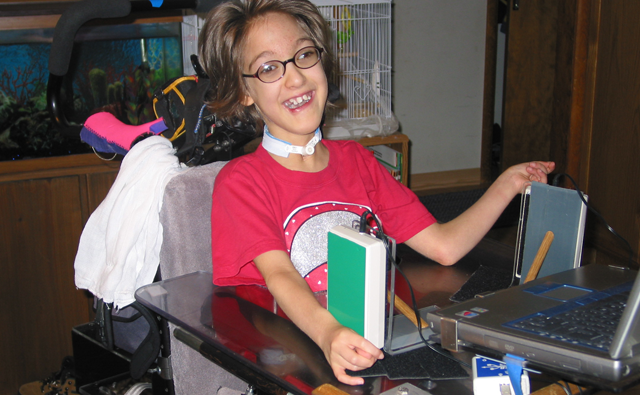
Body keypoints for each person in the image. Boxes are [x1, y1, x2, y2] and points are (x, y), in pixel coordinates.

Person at [199, 0, 554, 386]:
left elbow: (443, 245)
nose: (296, 78)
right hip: (296, 363)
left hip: (373, 350)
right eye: (269, 68)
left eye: (304, 55)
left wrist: (508, 184)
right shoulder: (242, 181)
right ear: (244, 91)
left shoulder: (359, 162)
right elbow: (281, 275)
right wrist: (328, 333)